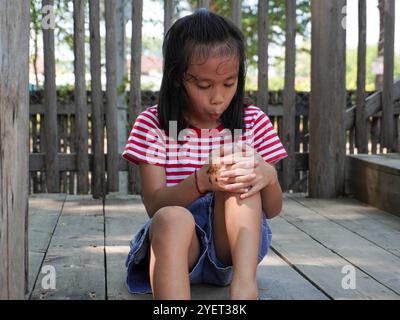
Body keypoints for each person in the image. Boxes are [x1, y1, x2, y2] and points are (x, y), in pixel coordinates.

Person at [122, 8, 288, 300]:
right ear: (176, 78)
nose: (218, 97)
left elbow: (273, 210)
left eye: (229, 83)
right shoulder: (154, 126)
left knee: (241, 177)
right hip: (176, 249)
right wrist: (201, 181)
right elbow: (154, 205)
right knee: (173, 218)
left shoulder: (253, 121)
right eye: (203, 85)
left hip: (231, 252)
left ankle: (244, 289)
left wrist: (268, 176)